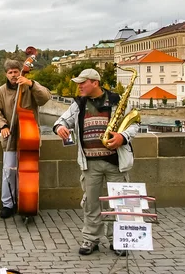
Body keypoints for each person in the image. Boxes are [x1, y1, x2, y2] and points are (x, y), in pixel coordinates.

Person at [53, 68, 138, 256]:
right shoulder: (79, 104)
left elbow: (134, 125)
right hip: (90, 164)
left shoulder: (117, 101)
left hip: (116, 162)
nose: (79, 86)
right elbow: (61, 121)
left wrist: (122, 137)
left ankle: (117, 241)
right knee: (91, 204)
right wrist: (59, 128)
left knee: (118, 203)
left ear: (95, 83)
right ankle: (91, 240)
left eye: (83, 83)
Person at [0, 59, 51, 219]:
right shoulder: (0, 92)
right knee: (8, 172)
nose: (13, 75)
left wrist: (31, 84)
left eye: (16, 71)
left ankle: (27, 201)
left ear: (20, 72)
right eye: (10, 72)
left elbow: (45, 98)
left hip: (29, 138)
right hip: (11, 138)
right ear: (6, 74)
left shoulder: (30, 87)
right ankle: (8, 204)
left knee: (28, 173)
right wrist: (3, 126)